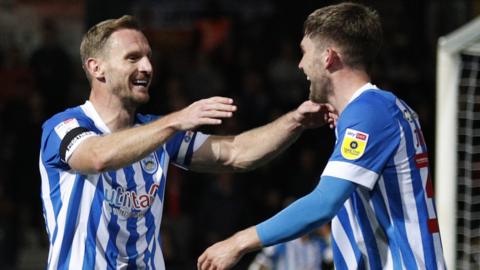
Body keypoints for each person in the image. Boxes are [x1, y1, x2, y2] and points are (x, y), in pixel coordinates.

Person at [39, 15, 335, 269]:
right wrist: (175, 120)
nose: (147, 68)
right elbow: (97, 157)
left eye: (148, 57)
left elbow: (235, 153)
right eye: (132, 58)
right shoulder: (65, 127)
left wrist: (295, 121)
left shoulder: (159, 133)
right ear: (96, 68)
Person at [198, 2, 446, 270]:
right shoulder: (378, 109)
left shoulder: (370, 113)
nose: (301, 64)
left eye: (304, 52)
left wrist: (238, 242)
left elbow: (324, 202)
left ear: (328, 57)